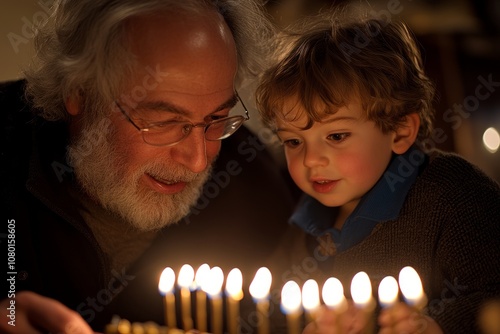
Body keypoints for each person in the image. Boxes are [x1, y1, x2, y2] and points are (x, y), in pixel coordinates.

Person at [1, 0, 296, 333]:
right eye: (164, 122)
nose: (198, 161)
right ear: (79, 91)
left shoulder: (251, 185)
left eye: (216, 119)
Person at [256, 13, 500, 334]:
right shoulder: (306, 224)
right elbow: (269, 309)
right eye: (293, 141)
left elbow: (491, 293)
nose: (311, 159)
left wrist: (437, 326)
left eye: (336, 136)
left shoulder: (454, 195)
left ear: (399, 131)